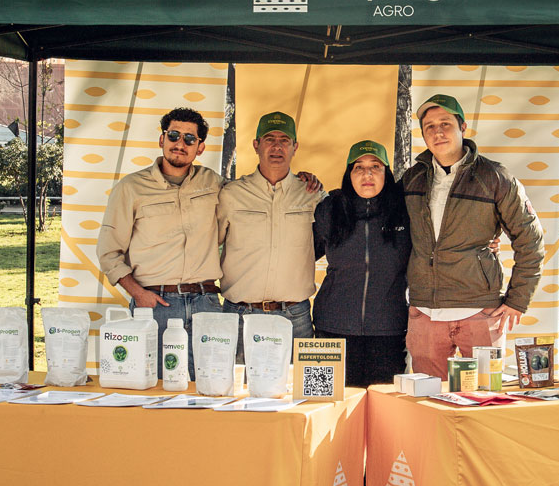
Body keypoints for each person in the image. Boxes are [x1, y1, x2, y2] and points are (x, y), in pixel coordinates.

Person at [402, 93, 545, 379]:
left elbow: (531, 241)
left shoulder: (494, 178)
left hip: (480, 311)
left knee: (484, 398)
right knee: (428, 405)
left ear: (463, 127)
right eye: (429, 126)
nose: (438, 132)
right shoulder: (412, 178)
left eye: (445, 123)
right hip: (425, 312)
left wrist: (517, 300)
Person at [96, 106, 224, 378]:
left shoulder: (213, 183)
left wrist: (303, 181)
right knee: (154, 388)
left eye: (190, 139)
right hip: (157, 305)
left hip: (206, 304)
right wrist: (138, 294)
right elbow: (109, 253)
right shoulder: (131, 188)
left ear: (200, 147)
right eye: (174, 135)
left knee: (210, 385)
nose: (180, 144)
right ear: (161, 139)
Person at [217, 111, 325, 343]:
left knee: (295, 381)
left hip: (295, 316)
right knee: (235, 380)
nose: (277, 147)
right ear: (256, 145)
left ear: (295, 147)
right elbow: (209, 244)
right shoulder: (232, 194)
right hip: (239, 314)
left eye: (284, 140)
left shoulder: (312, 194)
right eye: (269, 140)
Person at [313, 141, 411, 386]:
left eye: (375, 166)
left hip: (388, 332)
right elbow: (301, 252)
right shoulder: (330, 208)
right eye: (359, 167)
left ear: (387, 174)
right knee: (328, 405)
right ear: (349, 174)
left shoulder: (405, 210)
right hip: (331, 329)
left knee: (384, 410)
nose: (367, 174)